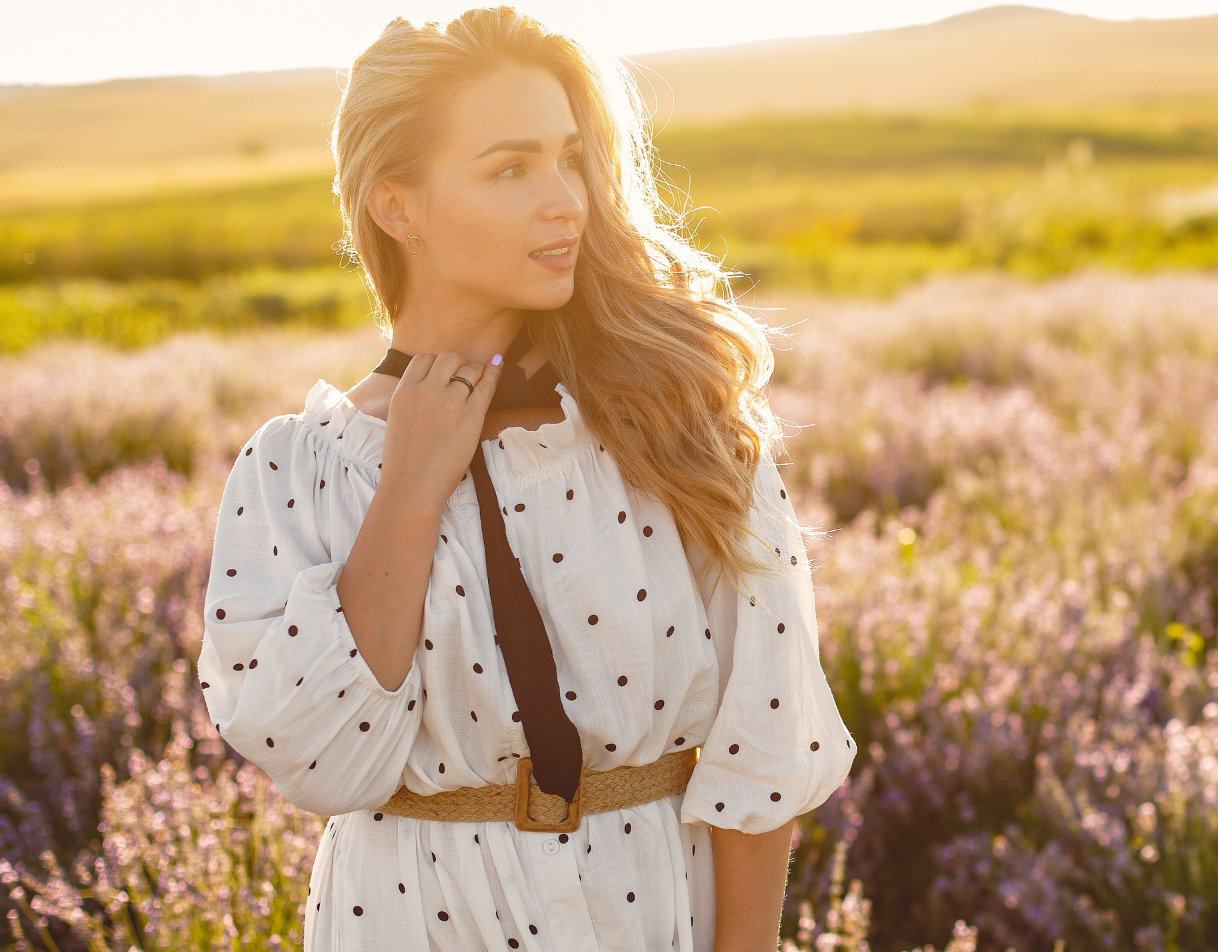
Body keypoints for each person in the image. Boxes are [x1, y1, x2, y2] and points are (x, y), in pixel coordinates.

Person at [195, 7, 856, 951]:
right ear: (396, 208)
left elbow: (767, 747)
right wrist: (410, 489)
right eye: (511, 169)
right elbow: (326, 765)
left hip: (649, 916)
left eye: (571, 159)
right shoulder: (295, 471)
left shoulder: (674, 424)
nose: (566, 201)